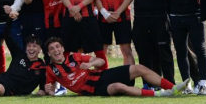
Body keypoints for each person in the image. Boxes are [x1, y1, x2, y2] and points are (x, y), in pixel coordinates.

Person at [43, 38, 187, 97]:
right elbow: (50, 89)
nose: (56, 51)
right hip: (92, 89)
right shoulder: (50, 69)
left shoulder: (75, 57)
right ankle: (161, 94)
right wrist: (47, 91)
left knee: (138, 68)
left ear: (62, 48)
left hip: (101, 75)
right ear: (49, 53)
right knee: (118, 86)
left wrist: (90, 64)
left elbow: (100, 61)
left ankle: (173, 89)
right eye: (52, 49)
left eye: (57, 47)